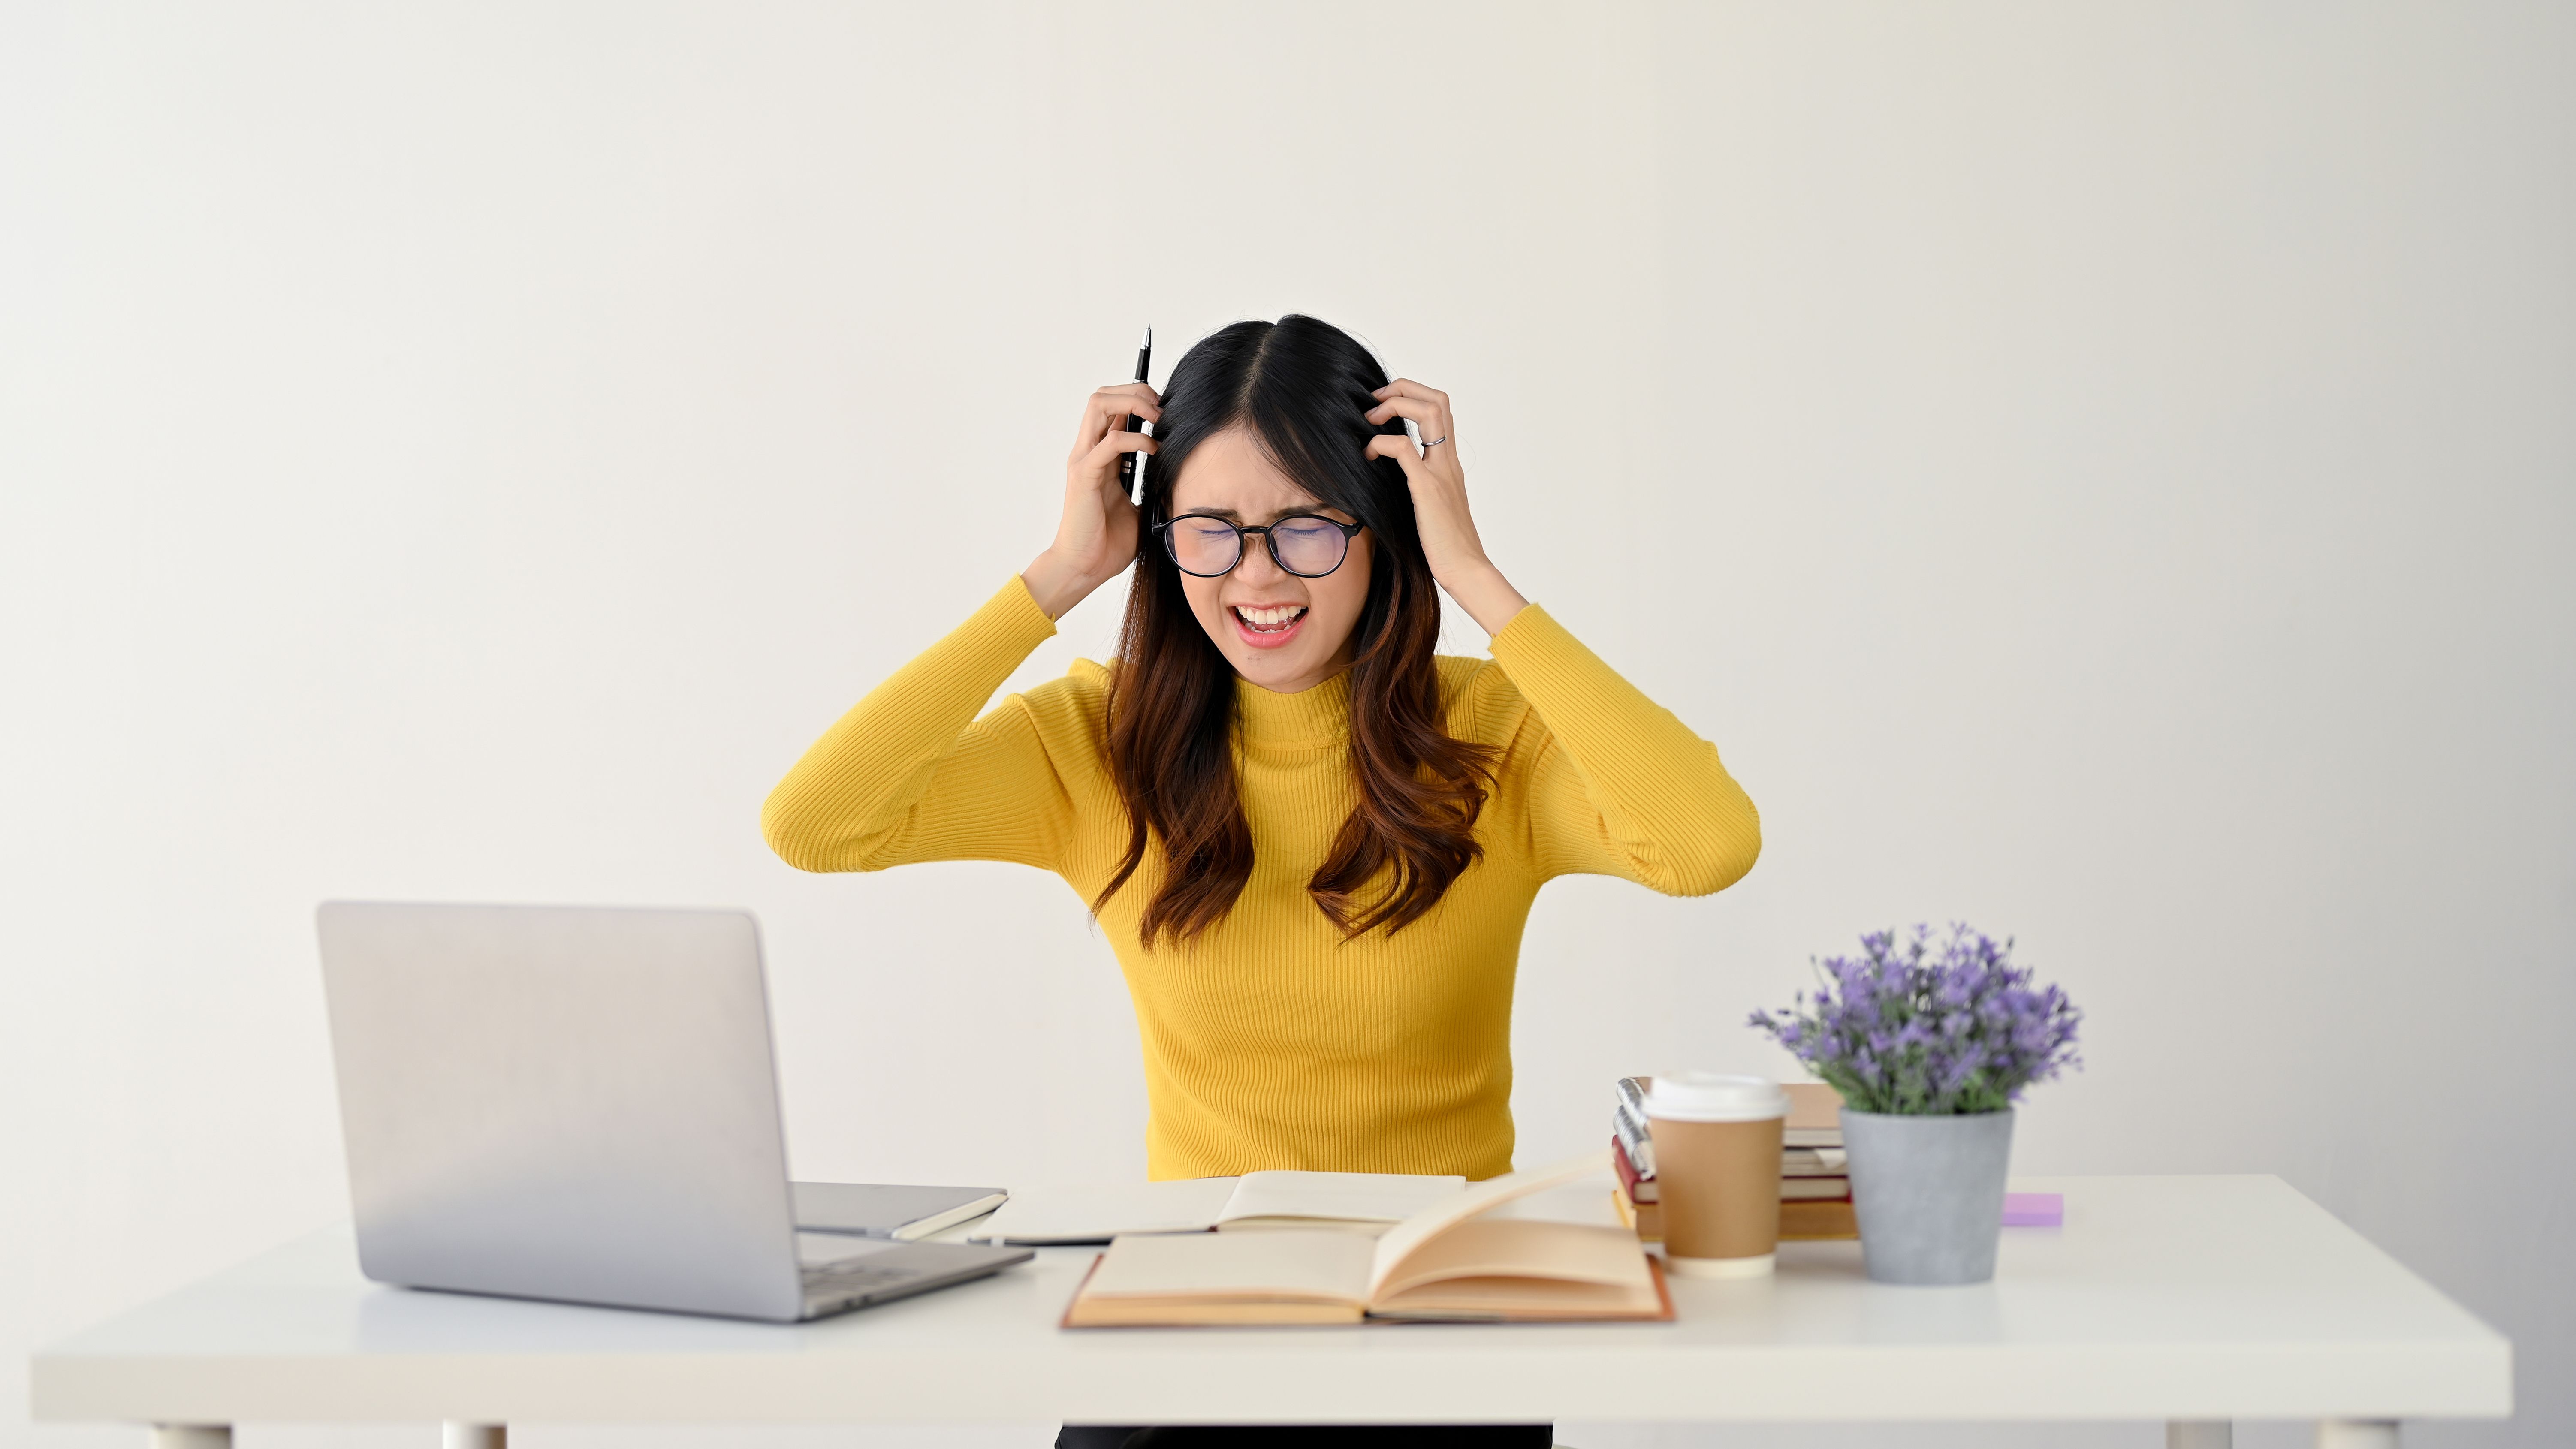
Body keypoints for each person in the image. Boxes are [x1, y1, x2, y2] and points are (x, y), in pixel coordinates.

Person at [763, 315, 1761, 1448]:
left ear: (1383, 524)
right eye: (1212, 531)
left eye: (1306, 527)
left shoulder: (1490, 735)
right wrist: (1059, 575)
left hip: (1438, 1319)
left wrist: (1477, 578)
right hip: (1188, 1318)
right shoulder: (1098, 741)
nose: (1257, 576)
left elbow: (1708, 845)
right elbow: (817, 825)